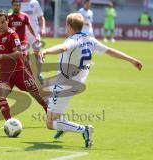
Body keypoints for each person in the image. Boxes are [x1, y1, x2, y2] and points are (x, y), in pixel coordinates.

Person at [38, 13, 143, 148]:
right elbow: (109, 50)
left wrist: (46, 51)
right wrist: (132, 60)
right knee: (51, 104)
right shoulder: (90, 39)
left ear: (69, 26)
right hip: (77, 82)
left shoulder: (72, 40)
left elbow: (63, 48)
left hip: (65, 84)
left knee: (50, 123)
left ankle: (84, 130)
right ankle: (63, 126)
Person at [21, 0, 46, 84]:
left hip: (34, 34)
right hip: (23, 35)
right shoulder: (18, 3)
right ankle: (28, 76)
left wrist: (42, 29)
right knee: (25, 56)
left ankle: (39, 74)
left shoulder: (34, 3)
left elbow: (41, 17)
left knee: (37, 54)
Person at [8, 0, 37, 73]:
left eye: (18, 5)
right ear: (12, 6)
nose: (16, 7)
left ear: (20, 6)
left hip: (23, 41)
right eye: (15, 5)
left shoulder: (24, 16)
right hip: (13, 43)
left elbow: (30, 27)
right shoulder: (8, 17)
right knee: (14, 61)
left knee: (25, 57)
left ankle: (32, 77)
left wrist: (35, 37)